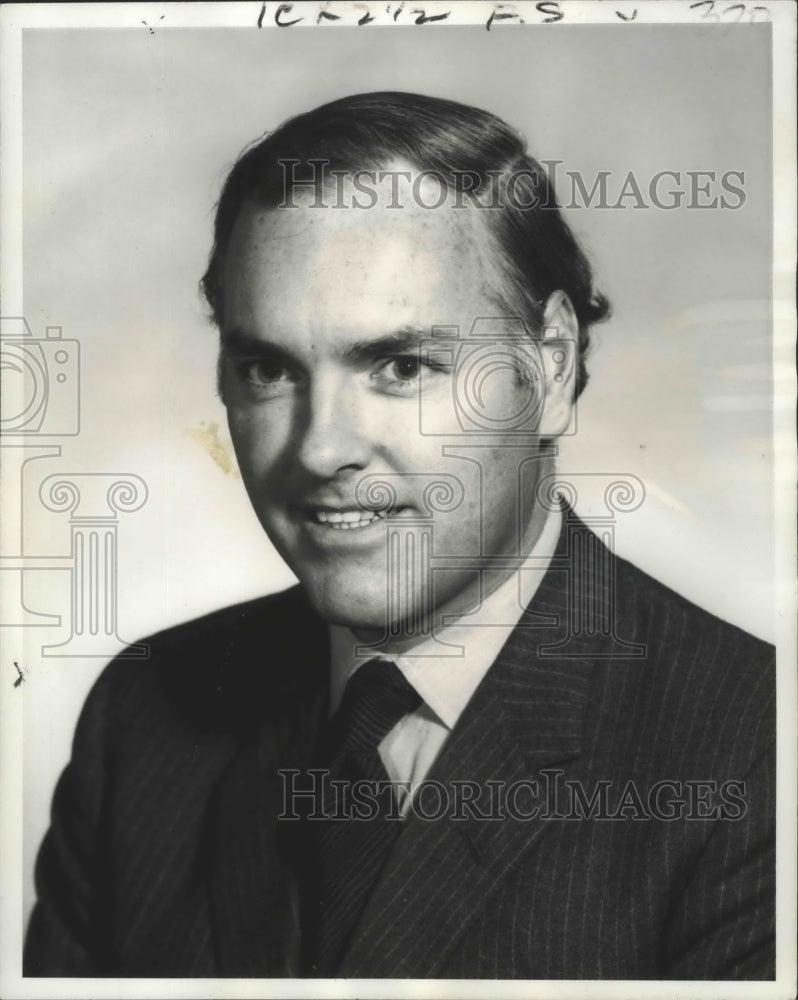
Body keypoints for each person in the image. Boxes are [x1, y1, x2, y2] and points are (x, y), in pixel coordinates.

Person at [24, 92, 775, 980]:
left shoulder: (760, 755)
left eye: (401, 365)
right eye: (268, 369)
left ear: (553, 368)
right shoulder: (143, 719)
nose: (320, 448)